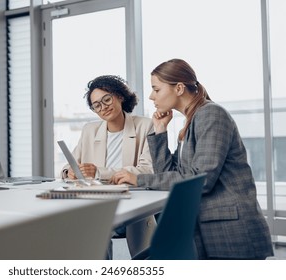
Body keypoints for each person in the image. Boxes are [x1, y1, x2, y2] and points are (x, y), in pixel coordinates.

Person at [112, 59, 274, 260]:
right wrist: (160, 131)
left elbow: (201, 180)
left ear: (178, 88)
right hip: (206, 229)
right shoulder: (192, 120)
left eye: (156, 89)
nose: (151, 96)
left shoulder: (211, 114)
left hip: (229, 233)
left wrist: (138, 179)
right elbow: (169, 174)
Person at [61, 75, 156, 259]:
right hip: (95, 202)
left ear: (120, 96)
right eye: (97, 105)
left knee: (94, 226)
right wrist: (70, 171)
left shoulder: (144, 125)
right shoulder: (90, 130)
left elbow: (147, 169)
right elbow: (69, 164)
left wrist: (97, 172)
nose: (103, 107)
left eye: (107, 99)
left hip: (129, 204)